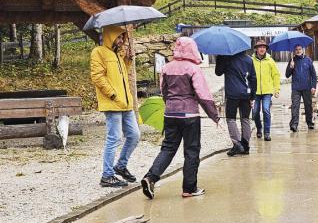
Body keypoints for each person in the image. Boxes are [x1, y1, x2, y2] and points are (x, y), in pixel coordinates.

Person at [141, 37, 220, 199]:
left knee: (168, 148)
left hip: (170, 114)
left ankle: (151, 177)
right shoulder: (193, 69)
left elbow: (163, 91)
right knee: (191, 151)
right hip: (190, 115)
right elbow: (203, 95)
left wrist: (170, 104)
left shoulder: (166, 68)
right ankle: (189, 188)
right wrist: (214, 116)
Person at [90, 26, 140, 188]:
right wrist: (112, 94)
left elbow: (121, 75)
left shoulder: (118, 54)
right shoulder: (98, 52)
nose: (121, 41)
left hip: (126, 104)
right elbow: (97, 76)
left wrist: (128, 60)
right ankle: (107, 175)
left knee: (134, 135)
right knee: (114, 139)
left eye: (122, 38)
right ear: (110, 36)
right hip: (112, 103)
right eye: (119, 37)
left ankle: (121, 166)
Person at [216, 50, 257, 156]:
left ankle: (237, 144)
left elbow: (218, 72)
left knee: (231, 119)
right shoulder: (249, 60)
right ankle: (246, 145)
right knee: (245, 119)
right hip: (246, 94)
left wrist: (220, 57)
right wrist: (252, 95)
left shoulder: (227, 58)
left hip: (232, 94)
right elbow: (253, 78)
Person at [251, 39, 280, 141]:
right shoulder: (251, 60)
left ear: (266, 49)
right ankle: (259, 128)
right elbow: (248, 76)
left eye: (264, 47)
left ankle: (267, 133)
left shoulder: (270, 61)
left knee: (266, 110)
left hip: (267, 91)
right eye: (260, 47)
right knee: (254, 112)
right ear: (256, 49)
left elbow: (276, 75)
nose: (262, 49)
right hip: (255, 92)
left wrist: (277, 89)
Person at [286, 44, 317, 132]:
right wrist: (290, 67)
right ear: (294, 51)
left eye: (299, 49)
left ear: (302, 50)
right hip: (296, 88)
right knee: (295, 106)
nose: (298, 51)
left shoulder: (308, 60)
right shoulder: (292, 61)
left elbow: (313, 75)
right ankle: (294, 124)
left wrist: (313, 86)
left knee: (308, 106)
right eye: (296, 49)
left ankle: (310, 122)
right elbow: (287, 75)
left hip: (307, 87)